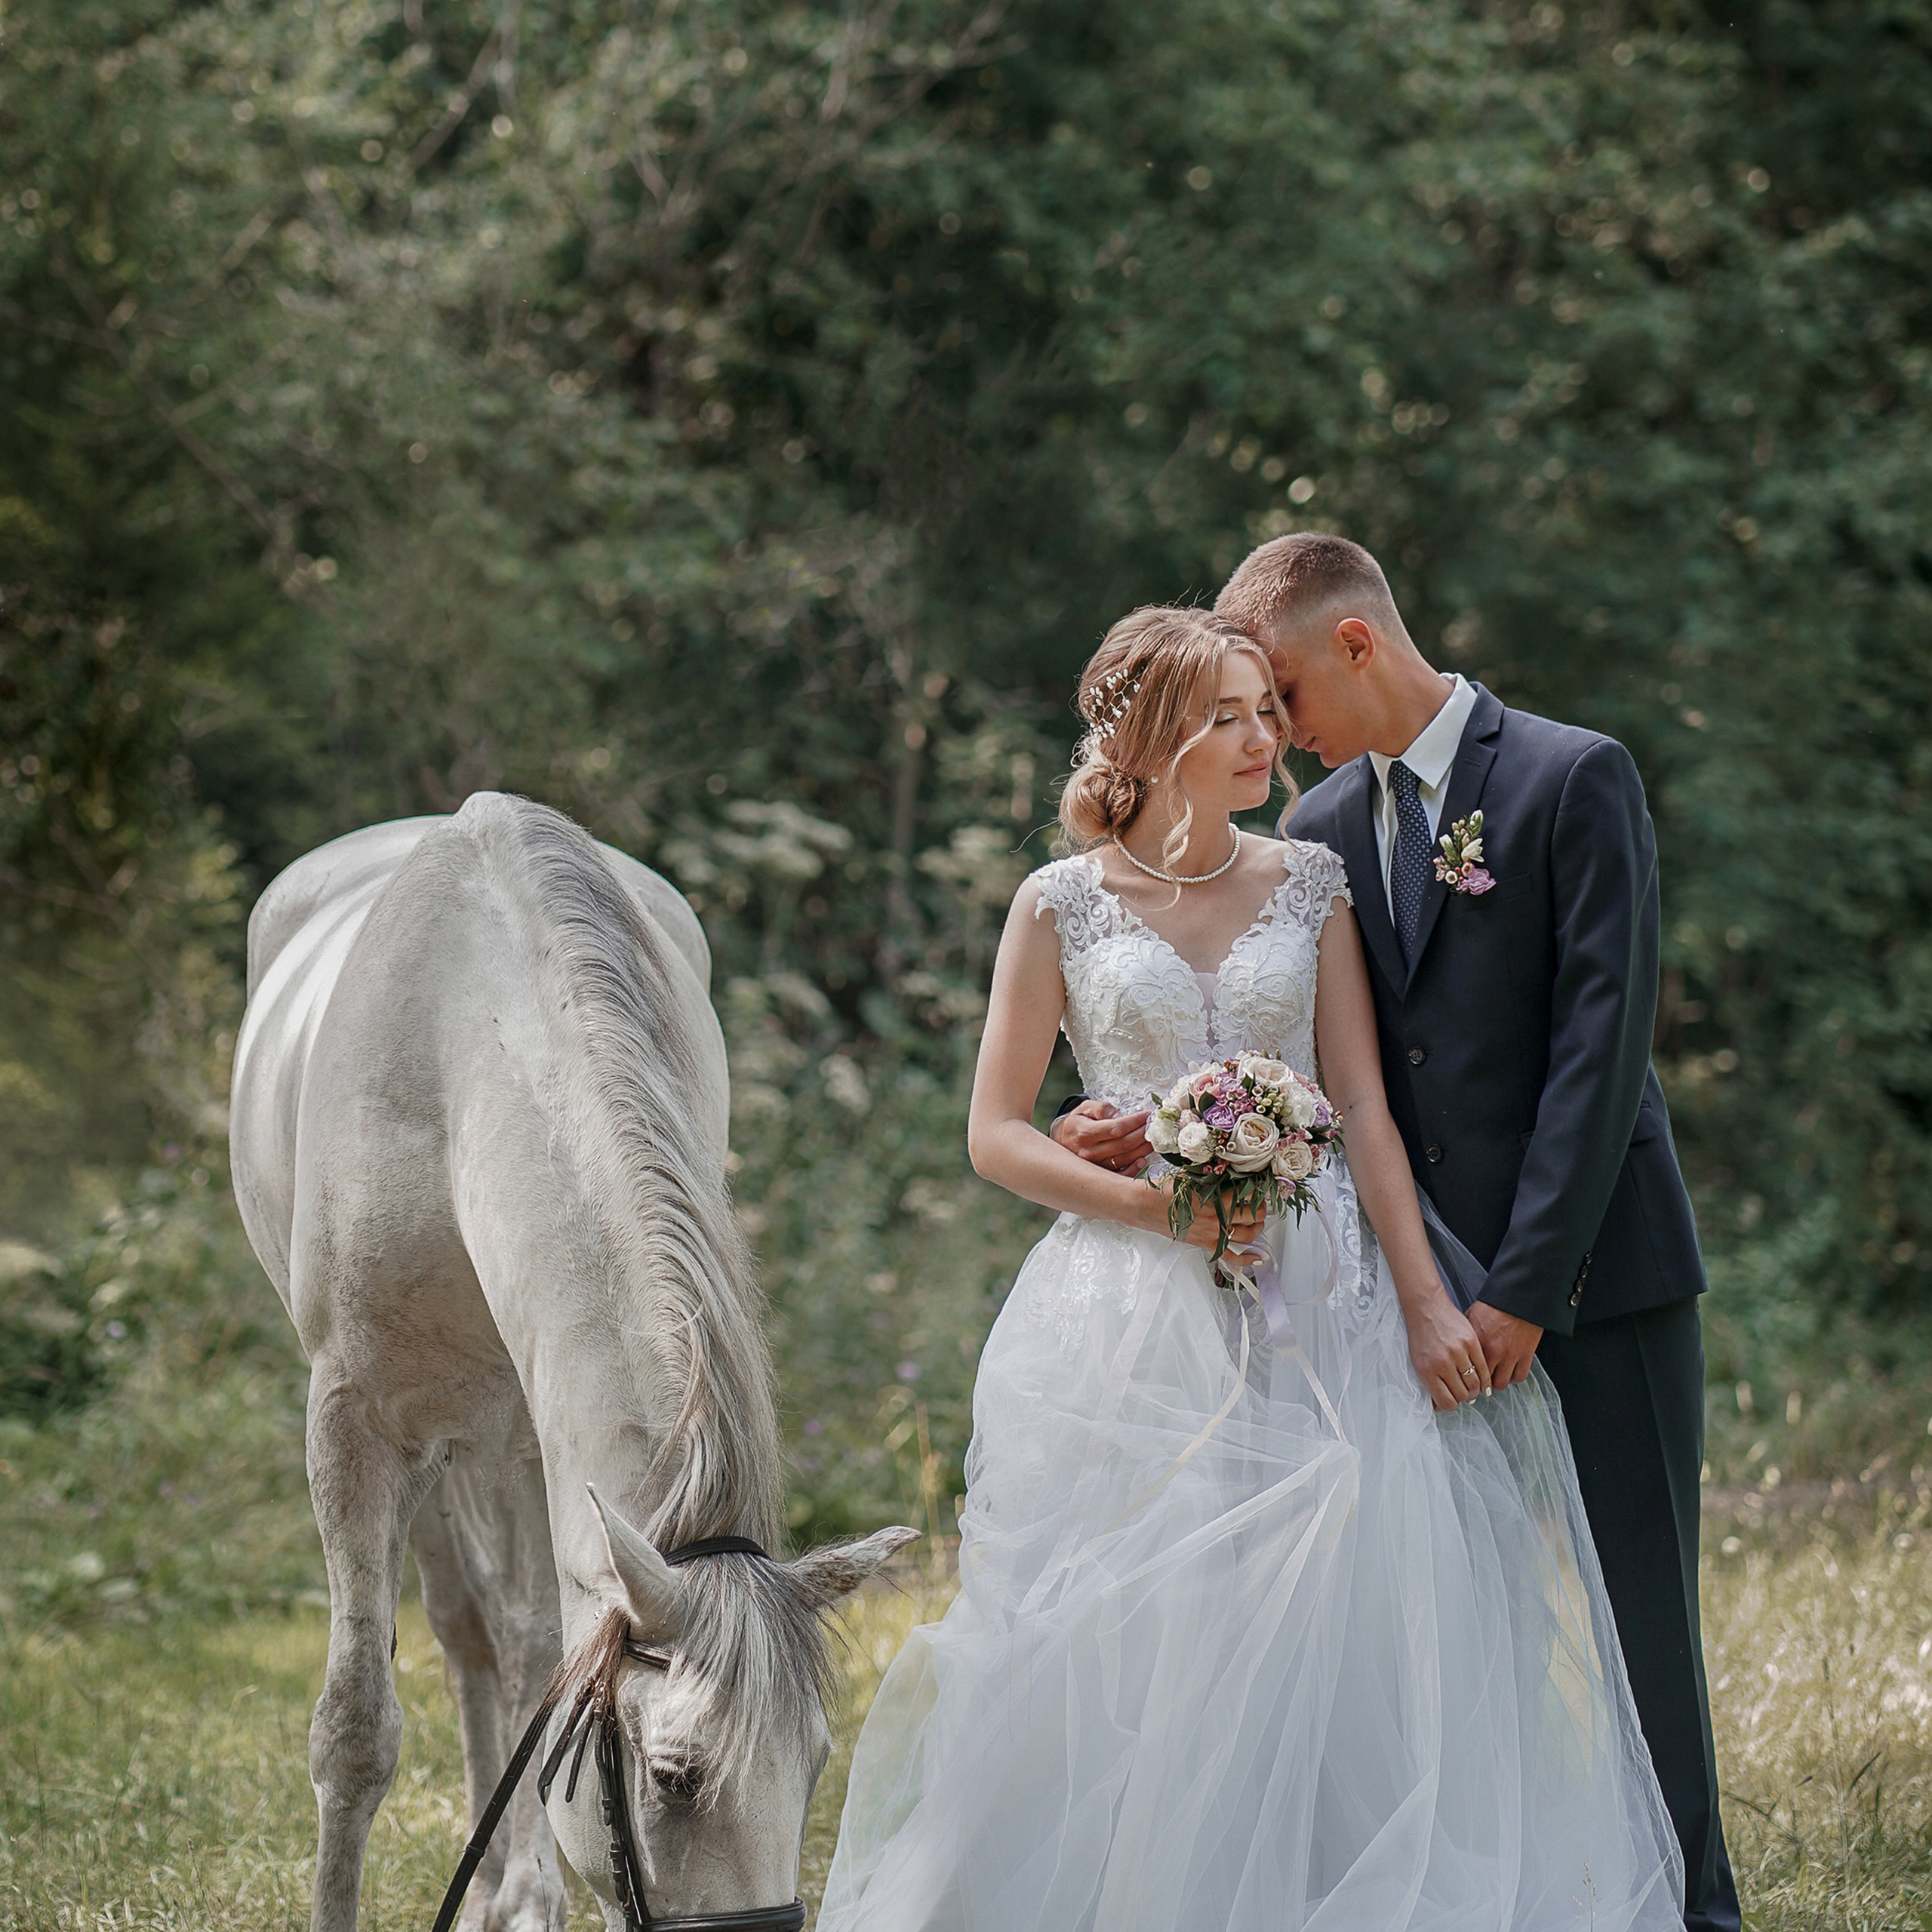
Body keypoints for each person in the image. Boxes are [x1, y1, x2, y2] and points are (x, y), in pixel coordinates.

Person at [819, 605, 1681, 1931]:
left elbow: (1366, 1108)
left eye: (1265, 710)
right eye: (1225, 716)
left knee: (1345, 1600)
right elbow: (994, 1135)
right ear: (1150, 738)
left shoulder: (1311, 881)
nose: (1263, 738)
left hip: (1322, 1288)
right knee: (1147, 1607)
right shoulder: (1056, 906)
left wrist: (1425, 1301)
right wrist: (1154, 1210)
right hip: (1129, 1307)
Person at [1060, 536, 1737, 1932]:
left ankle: (1698, 1914)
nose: (1275, 730)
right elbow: (1325, 1070)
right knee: (1463, 1641)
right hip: (1399, 1303)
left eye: (1285, 694)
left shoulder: (1570, 777)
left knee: (1641, 1628)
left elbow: (1600, 1055)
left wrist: (1526, 1291)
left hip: (1594, 1278)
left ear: (1356, 645)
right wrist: (1131, 1124)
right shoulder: (1317, 834)